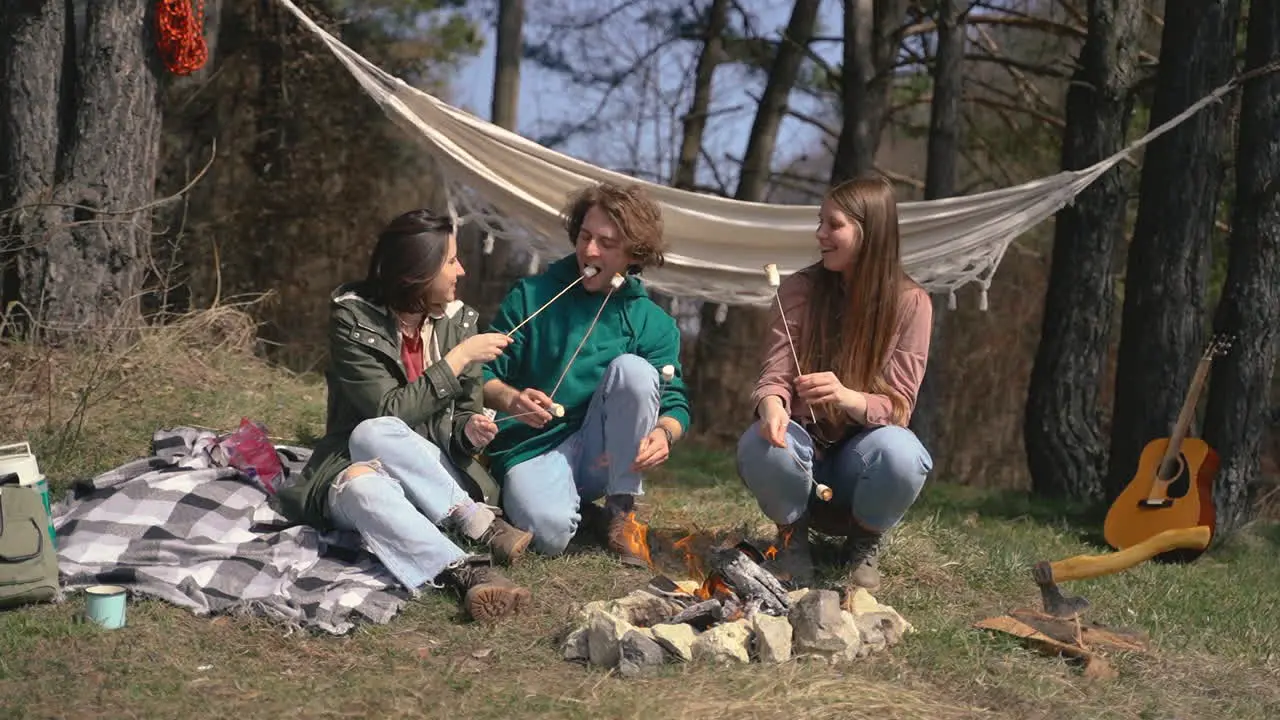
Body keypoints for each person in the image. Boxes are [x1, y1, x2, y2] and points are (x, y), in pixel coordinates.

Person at [275, 209, 534, 623]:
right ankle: (468, 571)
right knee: (366, 463)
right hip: (361, 460)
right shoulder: (353, 319)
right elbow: (386, 411)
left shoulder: (458, 322)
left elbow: (464, 412)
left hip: (439, 473)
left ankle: (470, 522)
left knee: (374, 433)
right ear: (418, 270)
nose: (461, 271)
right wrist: (459, 358)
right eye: (451, 260)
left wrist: (469, 431)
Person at [736, 176, 934, 591]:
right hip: (803, 454)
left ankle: (864, 543)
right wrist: (772, 404)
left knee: (904, 454)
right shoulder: (799, 290)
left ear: (869, 231)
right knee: (759, 443)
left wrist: (847, 397)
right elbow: (774, 375)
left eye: (834, 224)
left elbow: (899, 408)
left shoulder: (912, 303)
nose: (820, 234)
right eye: (820, 222)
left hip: (859, 464)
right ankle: (792, 541)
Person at [481, 181, 691, 566]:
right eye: (585, 237)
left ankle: (620, 510)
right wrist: (511, 398)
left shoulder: (653, 323)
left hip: (603, 457)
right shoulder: (532, 296)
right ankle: (577, 512)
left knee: (634, 370)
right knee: (548, 535)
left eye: (607, 243)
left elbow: (675, 403)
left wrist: (664, 433)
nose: (590, 251)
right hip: (533, 446)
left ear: (633, 252)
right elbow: (481, 374)